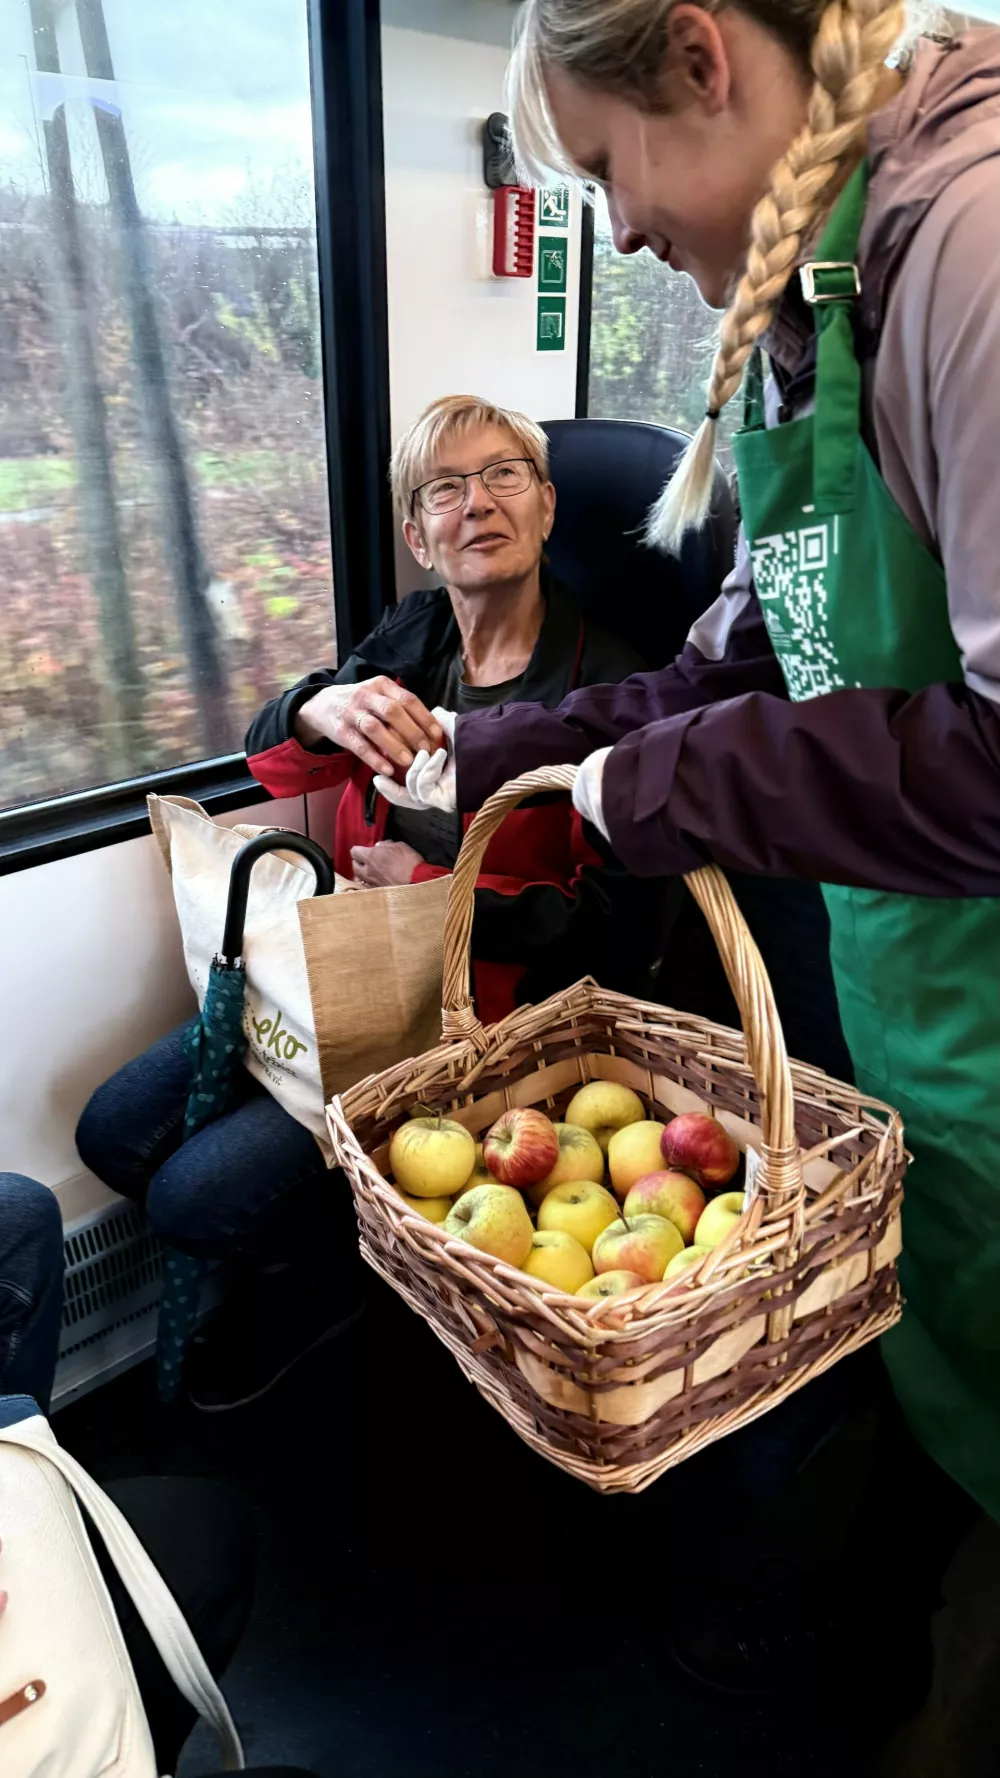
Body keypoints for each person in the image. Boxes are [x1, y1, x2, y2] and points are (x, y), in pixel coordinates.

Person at [370, 0, 1000, 1718]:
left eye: (604, 166)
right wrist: (469, 752)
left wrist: (670, 790)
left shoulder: (973, 245)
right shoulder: (813, 319)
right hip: (918, 1017)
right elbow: (730, 666)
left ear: (706, 60)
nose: (621, 226)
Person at [77, 395, 660, 1413]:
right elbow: (269, 750)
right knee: (112, 1132)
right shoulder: (413, 634)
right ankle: (316, 1255)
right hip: (335, 969)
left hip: (469, 1018)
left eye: (503, 476)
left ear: (548, 505)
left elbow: (621, 931)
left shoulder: (609, 681)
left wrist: (440, 898)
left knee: (188, 1194)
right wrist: (319, 701)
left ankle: (326, 1288)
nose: (476, 505)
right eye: (444, 489)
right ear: (415, 534)